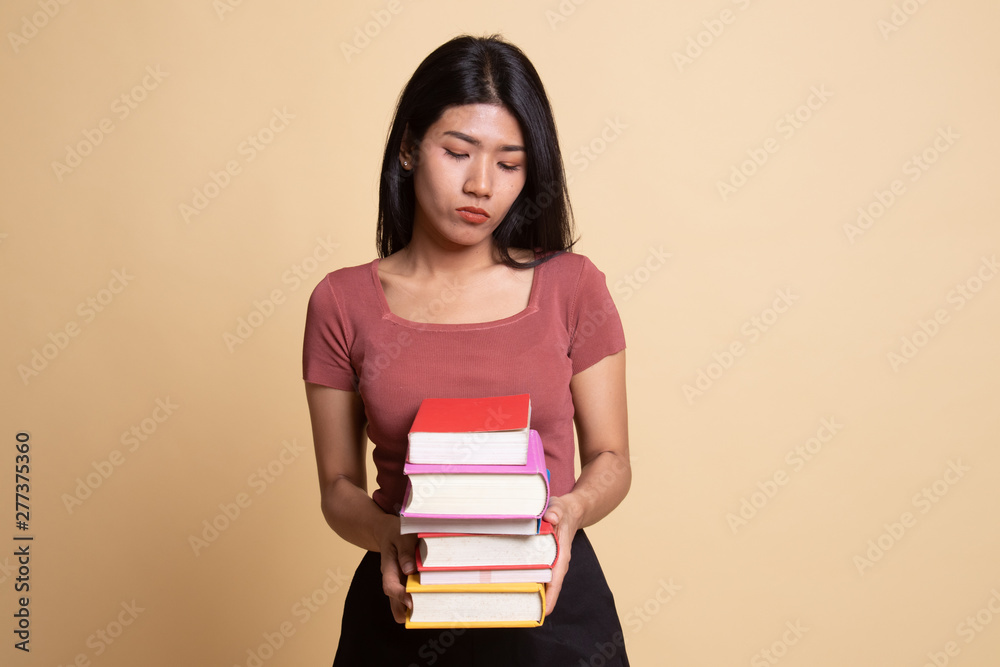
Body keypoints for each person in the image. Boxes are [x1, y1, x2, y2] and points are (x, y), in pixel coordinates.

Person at [302, 34, 631, 666]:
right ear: (407, 149)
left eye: (509, 164)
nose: (481, 184)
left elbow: (613, 457)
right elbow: (337, 486)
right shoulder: (342, 303)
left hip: (551, 601)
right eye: (458, 152)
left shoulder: (573, 286)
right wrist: (390, 535)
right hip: (405, 597)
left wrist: (567, 513)